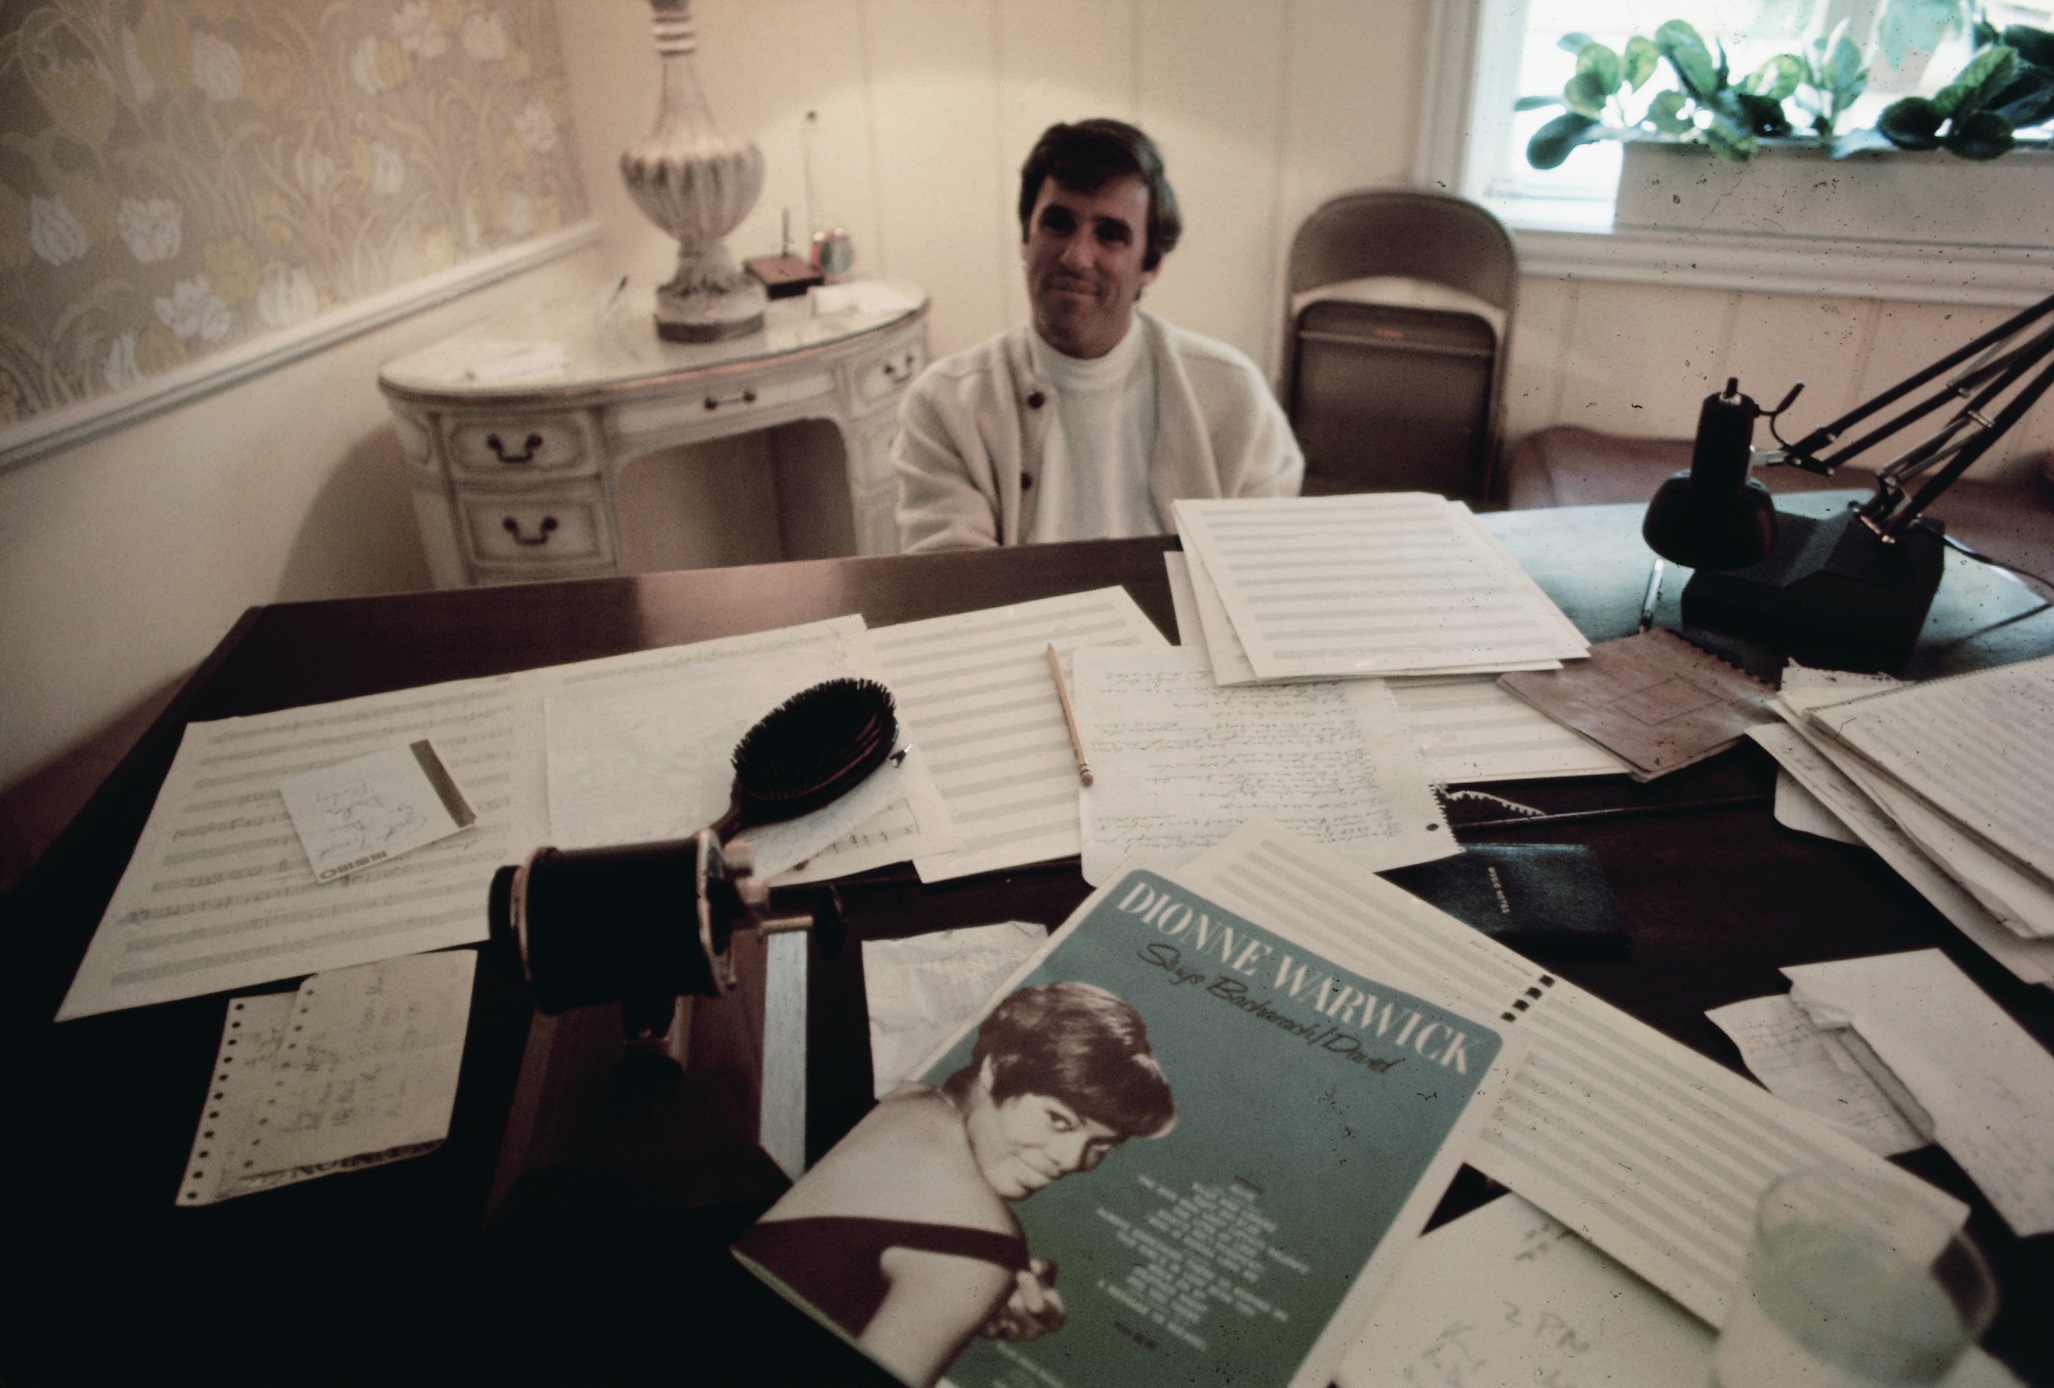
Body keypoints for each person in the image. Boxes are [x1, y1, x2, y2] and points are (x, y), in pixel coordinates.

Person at [732, 981, 1177, 1387]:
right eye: (1059, 1121)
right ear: (996, 1069)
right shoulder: (981, 1250)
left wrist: (953, 1306)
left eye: (1103, 1144)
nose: (1070, 1160)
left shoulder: (910, 1098)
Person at [892, 118, 1303, 552]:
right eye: (1057, 223)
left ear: (1151, 265)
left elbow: (1261, 573)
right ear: (1025, 240)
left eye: (1110, 235)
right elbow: (954, 587)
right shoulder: (943, 404)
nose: (1077, 256)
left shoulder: (1234, 394)